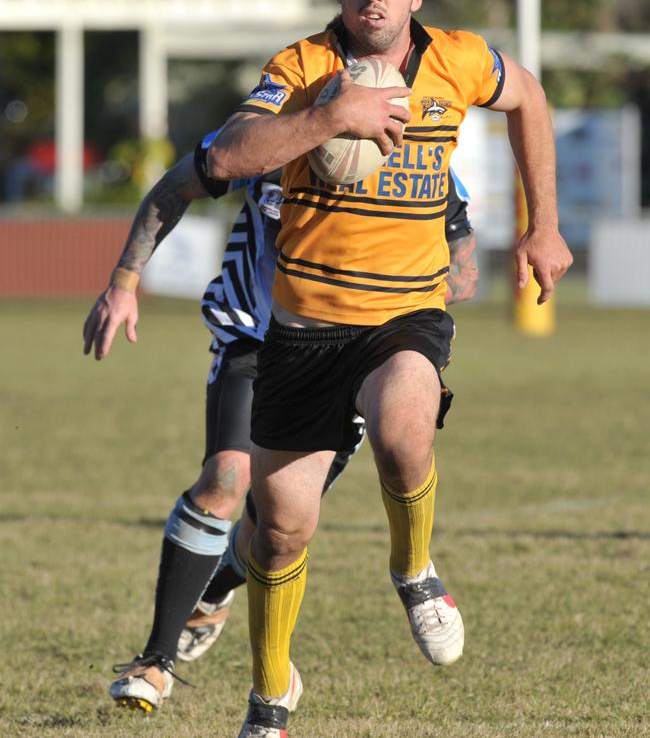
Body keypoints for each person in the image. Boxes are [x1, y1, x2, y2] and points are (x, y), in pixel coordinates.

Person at [205, 0, 573, 738]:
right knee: (278, 534)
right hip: (303, 333)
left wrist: (543, 223)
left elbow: (532, 97)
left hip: (405, 314)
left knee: (408, 419)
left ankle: (413, 568)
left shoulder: (460, 60)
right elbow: (230, 153)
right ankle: (270, 701)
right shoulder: (301, 69)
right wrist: (331, 118)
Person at [83, 129, 478, 713]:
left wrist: (393, 303)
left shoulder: (418, 163)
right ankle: (156, 659)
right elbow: (176, 186)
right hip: (255, 339)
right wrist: (124, 282)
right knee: (225, 476)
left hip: (351, 355)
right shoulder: (269, 138)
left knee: (275, 529)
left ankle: (215, 585)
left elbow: (463, 273)